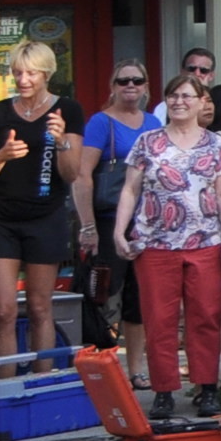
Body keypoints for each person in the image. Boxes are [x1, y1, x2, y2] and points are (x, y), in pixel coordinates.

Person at [110, 73, 221, 420]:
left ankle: (206, 387)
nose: (180, 101)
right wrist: (120, 233)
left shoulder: (215, 144)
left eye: (187, 96)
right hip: (155, 244)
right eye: (173, 96)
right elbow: (130, 190)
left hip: (204, 242)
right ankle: (163, 390)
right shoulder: (148, 142)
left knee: (206, 317)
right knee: (159, 319)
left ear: (201, 102)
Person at [0, 39, 87, 380]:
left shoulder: (67, 110)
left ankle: (44, 383)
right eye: (17, 73)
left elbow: (72, 174)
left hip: (46, 216)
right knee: (3, 310)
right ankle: (7, 387)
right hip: (3, 218)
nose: (23, 79)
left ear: (46, 74)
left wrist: (61, 141)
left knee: (41, 306)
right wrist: (2, 155)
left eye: (30, 73)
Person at [75, 62, 153, 363]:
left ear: (146, 86)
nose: (130, 85)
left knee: (138, 299)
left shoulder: (152, 123)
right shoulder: (100, 122)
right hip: (108, 220)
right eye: (123, 81)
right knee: (106, 295)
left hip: (146, 222)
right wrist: (88, 227)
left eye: (137, 80)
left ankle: (135, 369)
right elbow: (82, 176)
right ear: (113, 86)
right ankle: (103, 367)